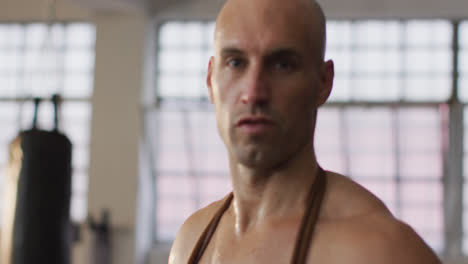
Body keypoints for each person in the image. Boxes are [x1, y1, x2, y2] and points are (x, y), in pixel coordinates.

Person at [169, 0, 442, 263]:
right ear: (210, 79)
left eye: (282, 64)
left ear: (324, 82)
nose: (253, 94)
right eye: (236, 63)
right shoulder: (191, 240)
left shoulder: (379, 250)